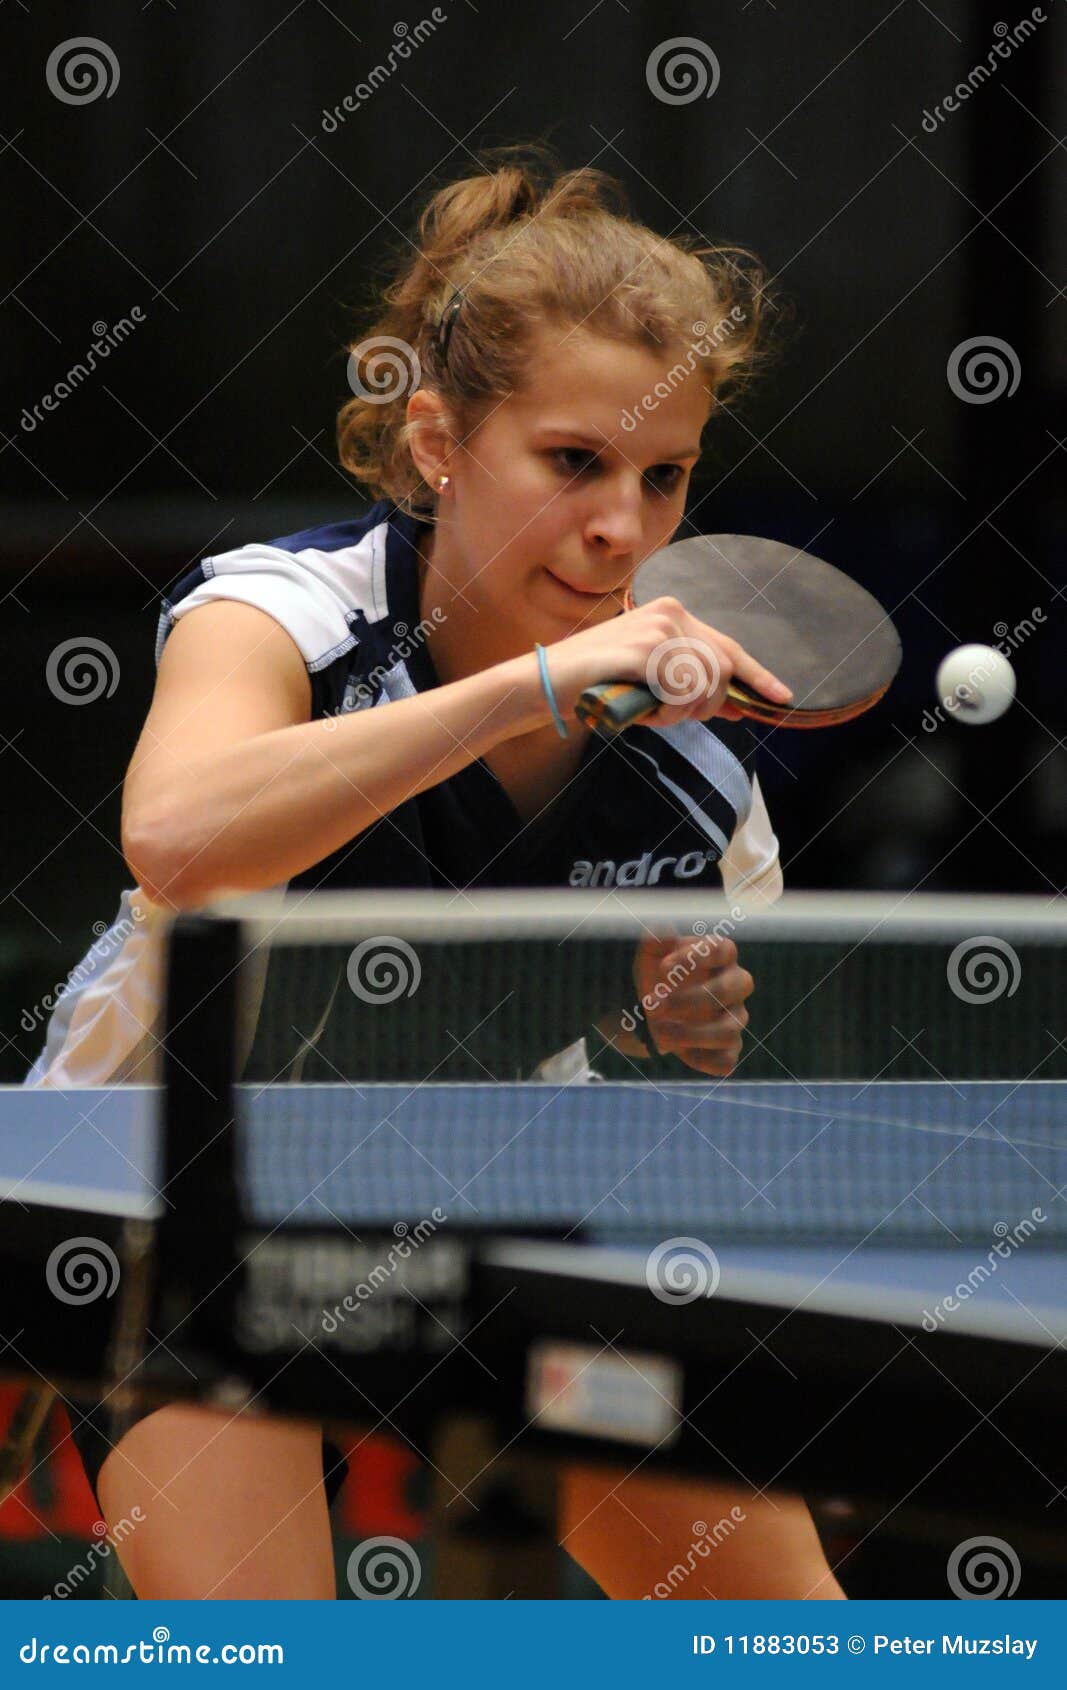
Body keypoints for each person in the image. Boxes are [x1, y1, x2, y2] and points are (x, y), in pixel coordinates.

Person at [24, 146, 844, 1600]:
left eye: (666, 478)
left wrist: (666, 1029)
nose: (624, 530)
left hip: (497, 1213)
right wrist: (538, 684)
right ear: (438, 442)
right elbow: (180, 839)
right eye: (575, 462)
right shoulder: (279, 611)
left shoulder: (705, 755)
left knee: (798, 1642)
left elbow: (671, 1067)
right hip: (176, 1199)